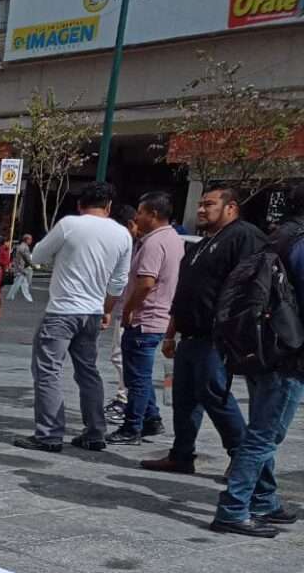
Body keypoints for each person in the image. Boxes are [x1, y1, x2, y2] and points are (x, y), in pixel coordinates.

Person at [141, 184, 266, 475]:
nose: (201, 209)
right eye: (200, 204)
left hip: (216, 336)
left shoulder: (244, 236)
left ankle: (242, 458)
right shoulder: (200, 245)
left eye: (209, 204)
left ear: (230, 208)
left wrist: (236, 332)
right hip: (189, 334)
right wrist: (171, 333)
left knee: (214, 394)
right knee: (183, 398)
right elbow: (184, 291)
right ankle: (181, 454)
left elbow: (250, 288)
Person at [209, 183, 304, 537]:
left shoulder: (277, 237)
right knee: (266, 433)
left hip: (262, 346)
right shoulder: (300, 242)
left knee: (264, 428)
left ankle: (264, 500)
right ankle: (234, 508)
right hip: (287, 351)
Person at [13, 182, 131, 453]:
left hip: (62, 311)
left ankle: (49, 434)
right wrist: (107, 309)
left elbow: (38, 255)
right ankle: (95, 431)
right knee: (88, 371)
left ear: (80, 204)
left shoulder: (69, 225)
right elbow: (119, 282)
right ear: (109, 206)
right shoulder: (122, 234)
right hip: (92, 312)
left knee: (48, 371)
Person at [108, 191, 183, 445]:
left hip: (145, 319)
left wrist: (128, 309)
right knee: (139, 374)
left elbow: (146, 283)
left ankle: (132, 427)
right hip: (159, 316)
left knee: (136, 378)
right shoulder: (173, 238)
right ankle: (151, 418)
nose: (137, 217)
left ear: (153, 214)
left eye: (140, 212)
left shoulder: (153, 243)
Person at [105, 204, 139, 420]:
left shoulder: (137, 246)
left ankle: (125, 399)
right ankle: (127, 399)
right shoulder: (134, 244)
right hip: (124, 307)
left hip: (130, 310)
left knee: (122, 356)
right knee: (121, 356)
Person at [6, 233, 35, 301]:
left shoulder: (19, 246)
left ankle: (27, 298)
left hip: (18, 267)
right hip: (21, 268)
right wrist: (33, 265)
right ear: (27, 240)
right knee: (18, 283)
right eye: (30, 239)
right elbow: (27, 258)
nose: (31, 241)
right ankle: (10, 296)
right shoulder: (25, 247)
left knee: (23, 284)